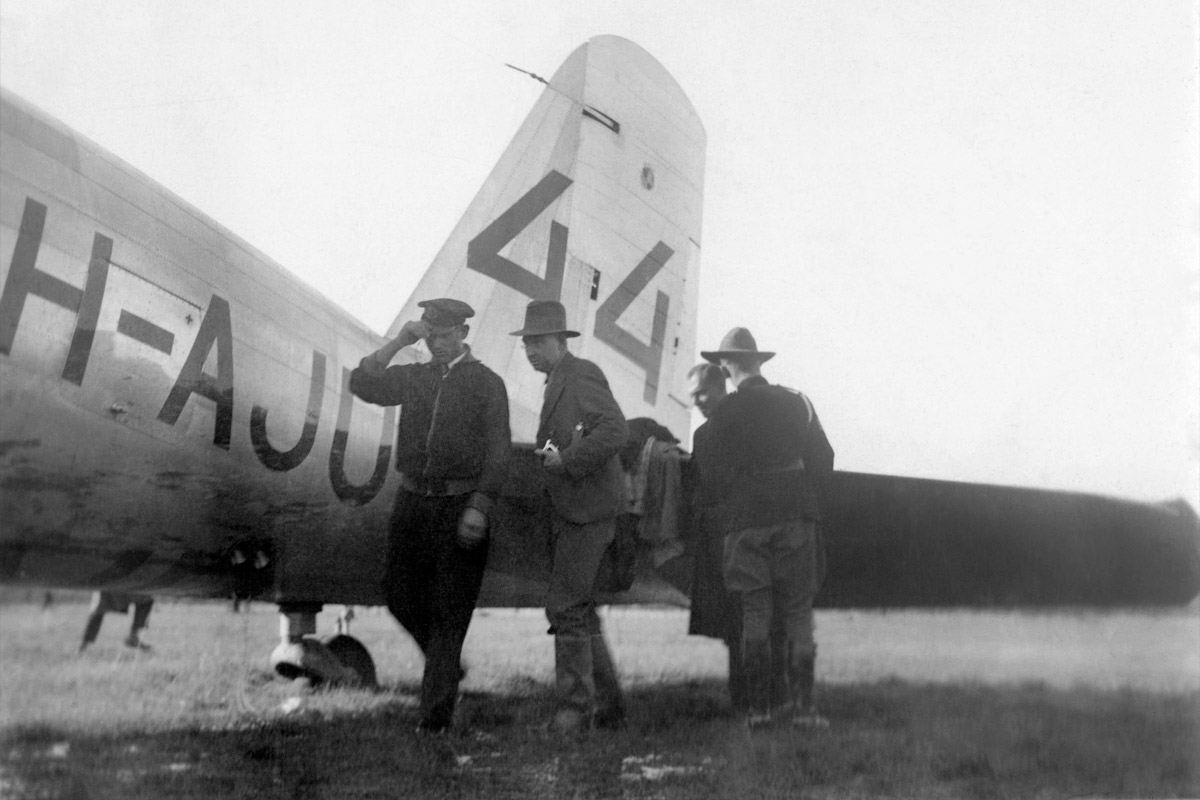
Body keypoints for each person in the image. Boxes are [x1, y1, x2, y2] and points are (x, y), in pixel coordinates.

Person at [350, 298, 511, 734]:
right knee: (397, 593)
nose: (437, 342)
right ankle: (446, 666)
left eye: (444, 335)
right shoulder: (415, 377)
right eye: (430, 334)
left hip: (460, 506)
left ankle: (434, 719)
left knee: (450, 609)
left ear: (462, 334)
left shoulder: (487, 384)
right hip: (413, 502)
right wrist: (401, 341)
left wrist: (480, 506)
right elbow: (362, 384)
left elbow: (499, 454)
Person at [699, 327, 834, 730]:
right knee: (797, 615)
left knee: (754, 614)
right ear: (760, 362)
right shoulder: (798, 401)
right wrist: (801, 498)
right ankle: (805, 710)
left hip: (745, 523)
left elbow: (708, 472)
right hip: (796, 517)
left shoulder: (723, 413)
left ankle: (758, 711)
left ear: (726, 366)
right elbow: (824, 458)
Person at [511, 299, 628, 733]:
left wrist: (569, 460)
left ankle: (575, 711)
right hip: (576, 512)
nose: (530, 350)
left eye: (538, 341)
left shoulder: (580, 375)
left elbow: (616, 429)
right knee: (579, 609)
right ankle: (610, 708)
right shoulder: (558, 379)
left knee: (565, 607)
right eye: (526, 343)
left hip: (588, 513)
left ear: (561, 340)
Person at [79, 591, 153, 651]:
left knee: (146, 599)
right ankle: (83, 645)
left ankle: (133, 638)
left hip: (124, 581)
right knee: (99, 608)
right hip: (109, 580)